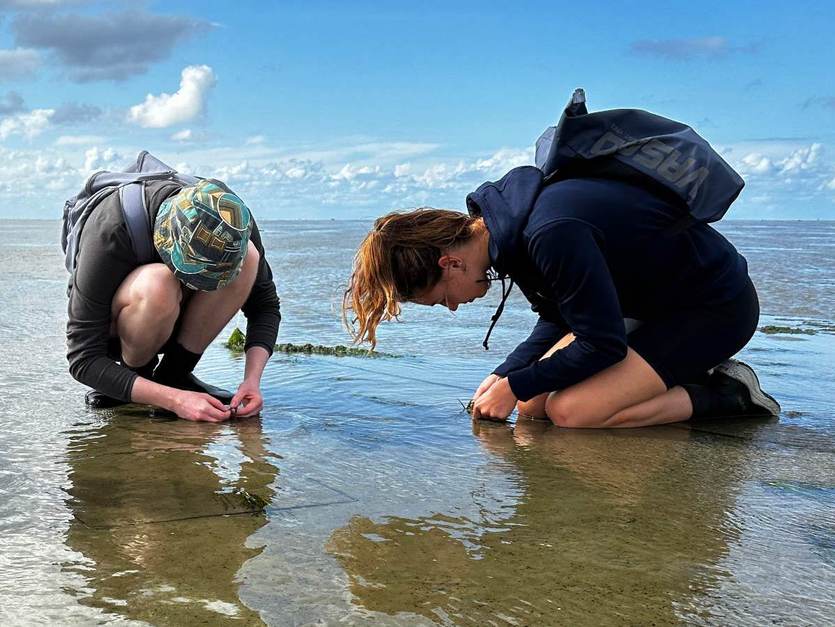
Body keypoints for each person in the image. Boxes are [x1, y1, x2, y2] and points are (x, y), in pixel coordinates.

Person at [343, 166, 780, 427]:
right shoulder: (506, 232)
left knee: (573, 412)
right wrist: (506, 375)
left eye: (441, 300)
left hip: (714, 307)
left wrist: (516, 384)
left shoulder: (549, 232)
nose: (454, 307)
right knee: (533, 407)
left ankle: (729, 393)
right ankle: (660, 379)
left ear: (448, 264)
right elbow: (557, 316)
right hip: (645, 307)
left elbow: (602, 343)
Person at [66, 178, 280, 422]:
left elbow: (265, 307)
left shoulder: (233, 221)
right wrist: (175, 400)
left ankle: (175, 375)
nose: (196, 289)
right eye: (194, 278)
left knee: (250, 256)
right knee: (159, 283)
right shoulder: (110, 229)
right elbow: (83, 358)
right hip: (125, 327)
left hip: (175, 325)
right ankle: (139, 379)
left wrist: (251, 381)